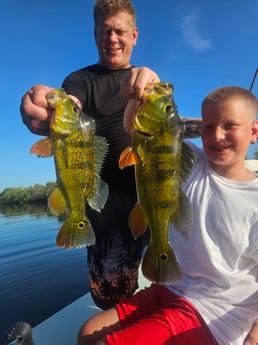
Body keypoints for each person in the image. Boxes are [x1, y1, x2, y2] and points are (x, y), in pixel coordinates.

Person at [77, 68, 258, 345]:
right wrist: (143, 88)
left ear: (253, 131)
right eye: (208, 127)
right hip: (173, 286)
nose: (216, 135)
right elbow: (135, 128)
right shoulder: (193, 164)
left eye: (229, 125)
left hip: (216, 313)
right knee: (87, 333)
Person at [20, 0, 159, 309]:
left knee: (147, 275)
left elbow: (165, 127)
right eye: (104, 31)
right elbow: (70, 102)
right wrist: (41, 103)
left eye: (119, 31)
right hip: (100, 207)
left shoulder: (145, 84)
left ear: (134, 35)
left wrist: (151, 81)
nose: (112, 39)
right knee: (108, 295)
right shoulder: (80, 80)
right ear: (95, 36)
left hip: (142, 200)